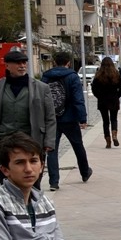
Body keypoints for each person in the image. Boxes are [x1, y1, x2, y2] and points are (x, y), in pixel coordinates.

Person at [0, 48, 56, 168]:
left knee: (32, 178)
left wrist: (48, 141)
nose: (22, 66)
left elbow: (50, 117)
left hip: (32, 140)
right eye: (18, 63)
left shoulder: (41, 88)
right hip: (5, 140)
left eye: (24, 63)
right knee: (5, 177)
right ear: (7, 65)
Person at [41, 51, 92, 192]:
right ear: (68, 62)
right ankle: (84, 172)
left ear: (54, 62)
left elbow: (41, 98)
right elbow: (78, 99)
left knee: (52, 149)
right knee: (78, 146)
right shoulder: (72, 76)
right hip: (69, 118)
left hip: (51, 119)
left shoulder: (46, 77)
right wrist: (82, 118)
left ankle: (54, 181)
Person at [91, 57, 121, 149]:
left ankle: (108, 141)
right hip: (113, 99)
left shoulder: (98, 75)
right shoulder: (116, 74)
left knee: (105, 121)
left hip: (103, 100)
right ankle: (114, 135)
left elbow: (94, 88)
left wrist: (99, 96)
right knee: (114, 119)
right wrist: (118, 95)